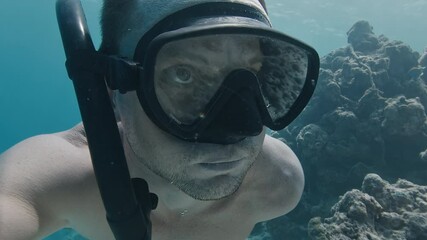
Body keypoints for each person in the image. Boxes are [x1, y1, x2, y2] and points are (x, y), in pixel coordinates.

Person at [0, 0, 319, 239]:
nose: (239, 129)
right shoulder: (58, 180)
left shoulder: (278, 184)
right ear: (112, 87)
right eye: (184, 75)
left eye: (257, 73)